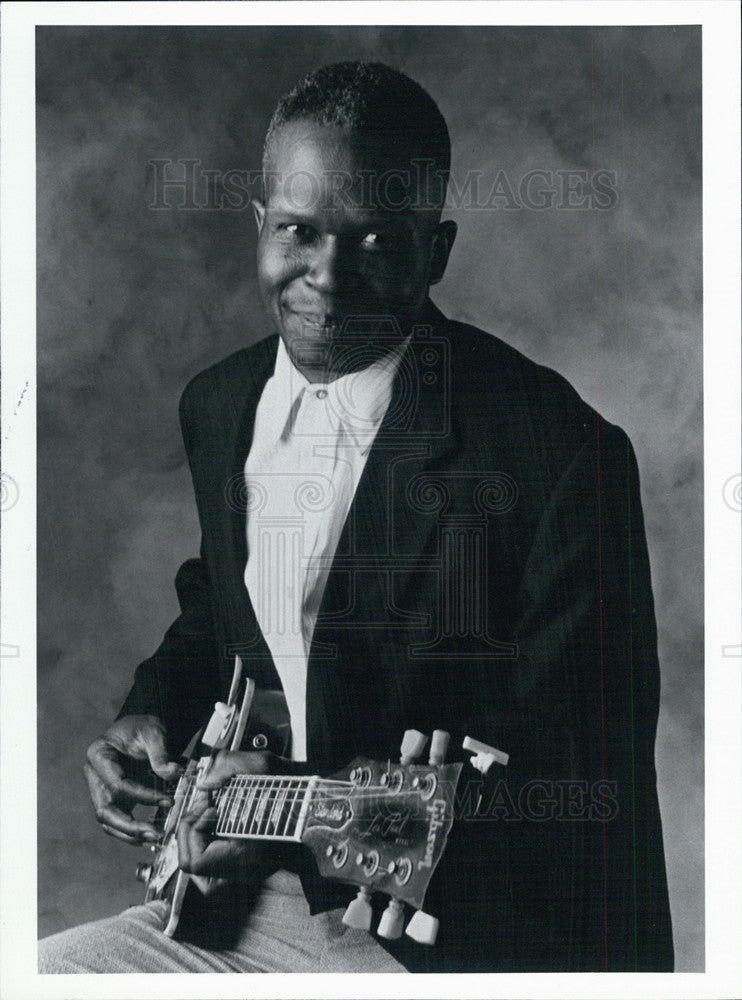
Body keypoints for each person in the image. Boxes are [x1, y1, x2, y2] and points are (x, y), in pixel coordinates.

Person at [39, 61, 673, 974]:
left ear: (436, 250)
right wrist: (149, 714)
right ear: (260, 227)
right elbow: (224, 614)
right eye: (298, 230)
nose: (327, 275)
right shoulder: (219, 404)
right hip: (253, 909)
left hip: (461, 938)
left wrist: (294, 811)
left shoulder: (560, 455)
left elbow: (584, 787)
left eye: (375, 238)